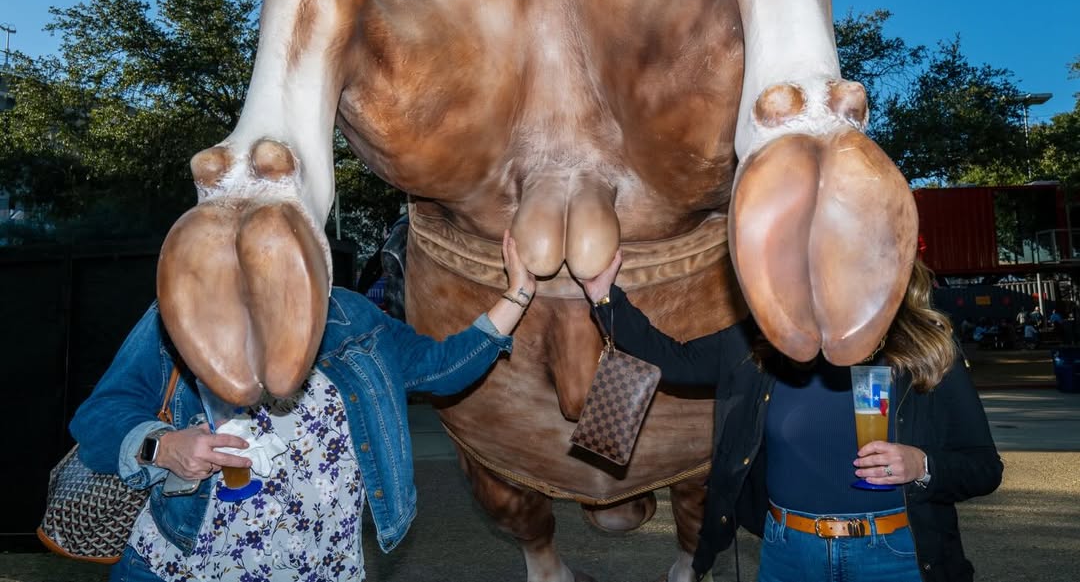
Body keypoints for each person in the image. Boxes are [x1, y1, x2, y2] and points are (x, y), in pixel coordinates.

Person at [70, 231, 535, 582]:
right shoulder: (185, 311)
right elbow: (98, 418)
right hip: (186, 566)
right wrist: (165, 447)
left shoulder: (352, 316)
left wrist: (519, 293)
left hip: (323, 567)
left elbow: (441, 368)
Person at [578, 255, 1002, 582]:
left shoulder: (925, 349)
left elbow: (983, 467)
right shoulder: (762, 343)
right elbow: (673, 360)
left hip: (894, 555)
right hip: (789, 555)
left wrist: (922, 465)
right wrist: (603, 295)